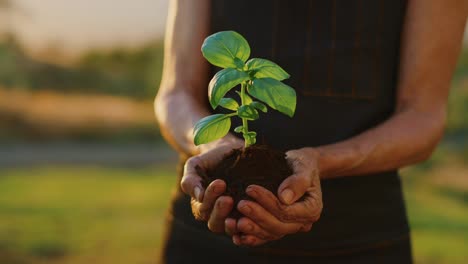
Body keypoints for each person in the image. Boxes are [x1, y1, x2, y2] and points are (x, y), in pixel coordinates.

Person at [154, 0, 468, 263]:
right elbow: (176, 93)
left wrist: (320, 161)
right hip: (212, 225)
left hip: (358, 237)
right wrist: (214, 146)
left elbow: (423, 117)